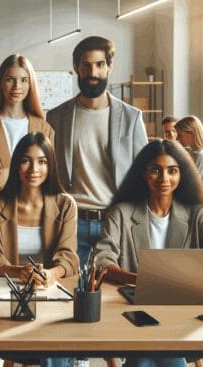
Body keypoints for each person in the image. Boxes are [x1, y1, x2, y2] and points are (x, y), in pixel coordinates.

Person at [94, 140, 203, 367]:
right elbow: (102, 261)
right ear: (144, 174)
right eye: (156, 170)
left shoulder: (198, 214)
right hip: (133, 311)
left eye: (172, 171)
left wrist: (178, 283)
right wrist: (140, 281)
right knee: (153, 350)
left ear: (182, 175)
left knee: (148, 355)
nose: (164, 179)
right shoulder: (121, 213)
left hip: (182, 313)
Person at [46, 36, 147, 267]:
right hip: (72, 221)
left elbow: (143, 175)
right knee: (71, 291)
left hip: (115, 221)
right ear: (76, 68)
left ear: (109, 66)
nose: (93, 71)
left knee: (114, 293)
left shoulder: (131, 118)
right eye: (86, 65)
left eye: (100, 64)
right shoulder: (56, 117)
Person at [0, 132, 76, 367]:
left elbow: (69, 257)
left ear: (50, 165)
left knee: (56, 341)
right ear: (16, 165)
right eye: (26, 160)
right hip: (5, 295)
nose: (34, 168)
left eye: (42, 161)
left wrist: (51, 274)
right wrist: (16, 270)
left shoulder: (65, 204)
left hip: (49, 295)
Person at [0, 55, 54, 196]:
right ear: (1, 83)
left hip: (35, 209)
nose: (17, 87)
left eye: (24, 80)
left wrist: (0, 172)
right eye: (10, 80)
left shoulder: (44, 128)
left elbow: (49, 178)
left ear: (30, 84)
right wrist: (29, 170)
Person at [174, 115, 203, 194]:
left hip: (198, 202)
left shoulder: (201, 156)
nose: (177, 139)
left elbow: (189, 183)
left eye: (180, 135)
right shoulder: (192, 152)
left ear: (191, 133)